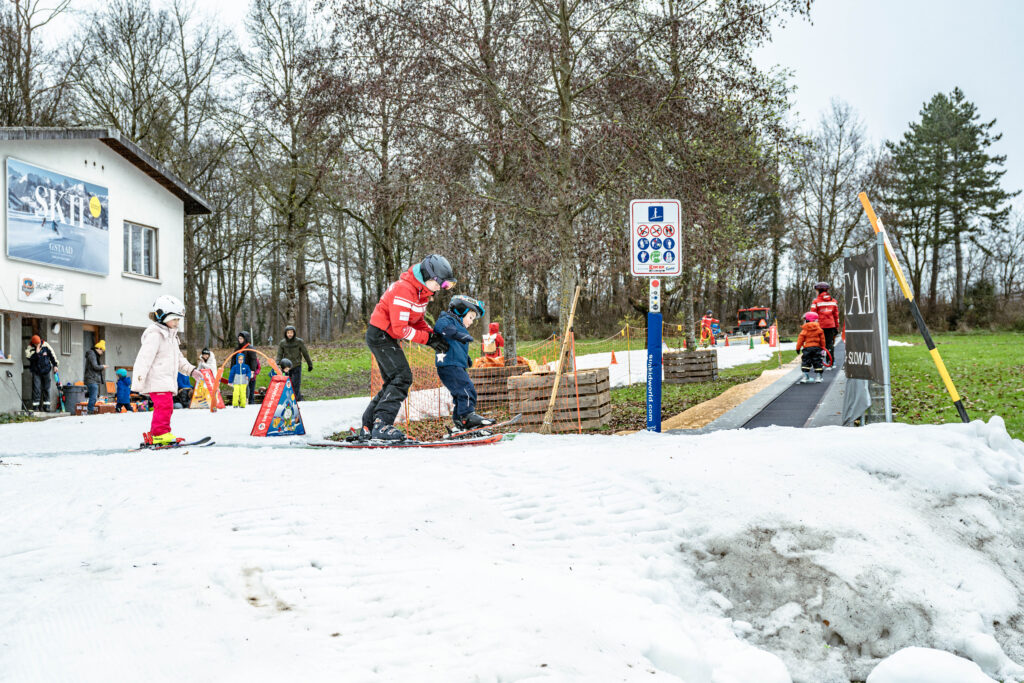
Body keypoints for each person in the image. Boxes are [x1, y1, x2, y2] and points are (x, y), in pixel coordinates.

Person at [360, 254, 456, 442]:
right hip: (381, 334)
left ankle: (368, 425)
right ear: (430, 277)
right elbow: (401, 329)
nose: (441, 288)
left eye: (447, 286)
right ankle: (382, 425)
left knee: (393, 381)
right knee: (402, 377)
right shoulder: (405, 290)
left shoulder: (422, 293)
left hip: (387, 335)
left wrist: (433, 336)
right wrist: (428, 340)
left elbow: (416, 321)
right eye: (441, 284)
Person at [131, 295, 204, 446]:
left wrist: (192, 371)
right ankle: (160, 434)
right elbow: (143, 360)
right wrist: (138, 382)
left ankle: (159, 433)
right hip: (156, 381)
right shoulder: (155, 335)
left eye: (178, 320)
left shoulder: (171, 337)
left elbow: (179, 359)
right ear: (162, 316)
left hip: (166, 381)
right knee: (164, 407)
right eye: (175, 319)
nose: (177, 323)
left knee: (167, 407)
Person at [435, 295, 495, 430]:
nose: (471, 322)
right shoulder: (447, 320)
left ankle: (459, 421)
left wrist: (466, 358)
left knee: (460, 393)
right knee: (467, 389)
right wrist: (457, 334)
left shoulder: (458, 326)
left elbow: (456, 346)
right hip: (449, 365)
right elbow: (440, 327)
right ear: (460, 311)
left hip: (455, 364)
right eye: (470, 317)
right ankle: (467, 416)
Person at [276, 325, 313, 401]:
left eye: (291, 333)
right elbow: (279, 354)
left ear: (294, 333)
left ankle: (295, 399)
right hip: (286, 366)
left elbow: (305, 353)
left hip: (296, 365)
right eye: (288, 333)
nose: (290, 334)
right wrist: (277, 364)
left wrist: (310, 364)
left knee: (296, 383)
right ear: (285, 333)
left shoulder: (299, 342)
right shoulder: (282, 343)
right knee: (287, 383)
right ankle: (290, 398)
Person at [25, 334, 58, 412]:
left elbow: (52, 356)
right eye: (36, 344)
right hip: (36, 372)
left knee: (46, 388)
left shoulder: (46, 346)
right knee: (36, 389)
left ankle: (46, 406)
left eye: (39, 343)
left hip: (46, 371)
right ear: (33, 343)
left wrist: (55, 365)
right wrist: (37, 353)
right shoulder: (29, 348)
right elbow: (30, 358)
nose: (38, 344)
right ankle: (35, 407)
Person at [810, 282, 840, 367]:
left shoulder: (816, 301)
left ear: (819, 290)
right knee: (829, 344)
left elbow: (813, 315)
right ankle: (831, 362)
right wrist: (837, 326)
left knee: (819, 344)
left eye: (816, 290)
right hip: (831, 326)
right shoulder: (833, 301)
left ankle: (819, 362)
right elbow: (836, 316)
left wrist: (812, 327)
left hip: (819, 326)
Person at [795, 311, 826, 384]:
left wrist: (798, 348)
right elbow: (822, 339)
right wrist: (823, 347)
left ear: (807, 320)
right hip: (817, 348)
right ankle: (818, 377)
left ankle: (805, 377)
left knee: (806, 361)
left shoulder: (804, 330)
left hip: (807, 349)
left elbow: (800, 340)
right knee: (817, 361)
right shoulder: (819, 329)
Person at [233, 331, 260, 403]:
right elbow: (233, 360)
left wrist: (252, 370)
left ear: (245, 339)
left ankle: (249, 401)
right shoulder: (237, 349)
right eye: (239, 338)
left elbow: (253, 360)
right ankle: (241, 401)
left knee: (248, 387)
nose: (240, 340)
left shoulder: (250, 348)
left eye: (241, 338)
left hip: (248, 371)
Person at [84, 339, 107, 414]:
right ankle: (90, 411)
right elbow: (95, 366)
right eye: (102, 351)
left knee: (93, 396)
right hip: (91, 379)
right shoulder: (92, 354)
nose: (102, 353)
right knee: (93, 397)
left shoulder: (93, 354)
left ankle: (90, 410)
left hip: (92, 379)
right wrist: (102, 366)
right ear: (99, 348)